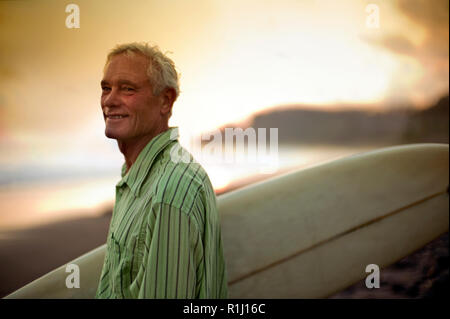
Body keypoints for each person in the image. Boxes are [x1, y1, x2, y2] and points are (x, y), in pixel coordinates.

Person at [95, 42, 227, 298]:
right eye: (106, 88)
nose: (109, 100)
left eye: (127, 89)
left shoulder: (169, 192)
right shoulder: (137, 175)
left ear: (165, 101)